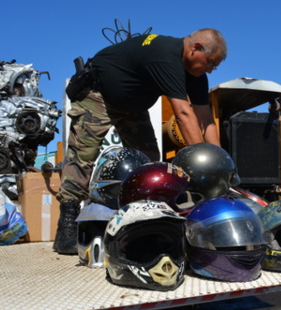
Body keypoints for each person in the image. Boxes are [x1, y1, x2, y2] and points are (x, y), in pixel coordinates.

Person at [53, 28, 227, 254]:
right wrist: (199, 166)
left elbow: (206, 120)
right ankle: (66, 225)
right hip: (99, 94)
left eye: (214, 67)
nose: (210, 70)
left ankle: (143, 223)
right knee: (83, 156)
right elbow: (184, 114)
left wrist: (219, 166)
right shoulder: (165, 55)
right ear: (195, 48)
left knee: (149, 165)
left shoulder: (196, 75)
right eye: (210, 63)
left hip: (133, 108)